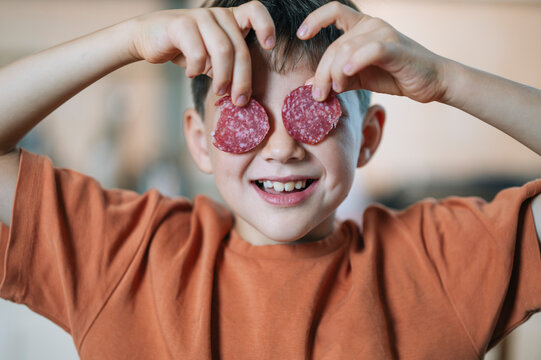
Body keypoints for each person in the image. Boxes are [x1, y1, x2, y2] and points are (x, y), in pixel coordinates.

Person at [0, 0, 540, 358]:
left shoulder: (439, 263)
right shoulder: (123, 254)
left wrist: (446, 79)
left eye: (321, 107)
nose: (282, 147)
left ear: (369, 137)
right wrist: (129, 40)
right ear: (198, 140)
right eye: (243, 108)